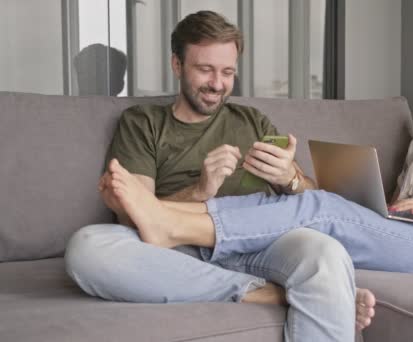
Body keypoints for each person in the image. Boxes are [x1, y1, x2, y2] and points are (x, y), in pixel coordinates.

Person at [100, 40, 413, 279]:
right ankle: (157, 213)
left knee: (320, 208)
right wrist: (373, 202)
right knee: (283, 204)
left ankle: (165, 223)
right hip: (397, 228)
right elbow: (396, 207)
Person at [64, 11, 375, 342]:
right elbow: (134, 215)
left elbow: (311, 197)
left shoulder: (251, 120)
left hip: (260, 243)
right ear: (177, 64)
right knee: (88, 247)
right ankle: (265, 292)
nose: (217, 83)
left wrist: (289, 179)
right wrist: (199, 190)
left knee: (326, 253)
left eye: (227, 72)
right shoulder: (143, 123)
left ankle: (310, 289)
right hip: (179, 249)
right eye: (205, 69)